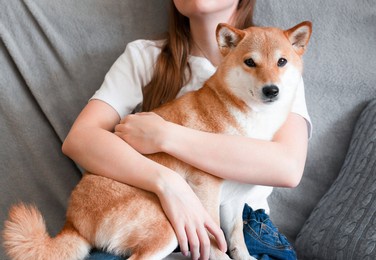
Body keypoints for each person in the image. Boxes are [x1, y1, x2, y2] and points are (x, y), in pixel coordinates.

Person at [62, 0, 311, 259]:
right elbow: (80, 138)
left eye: (280, 63)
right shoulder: (145, 56)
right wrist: (168, 183)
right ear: (226, 43)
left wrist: (165, 136)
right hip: (147, 207)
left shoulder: (284, 72)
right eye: (251, 62)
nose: (269, 75)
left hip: (246, 229)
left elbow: (288, 169)